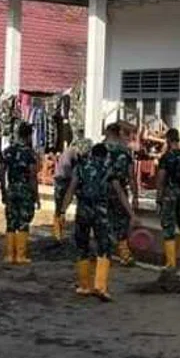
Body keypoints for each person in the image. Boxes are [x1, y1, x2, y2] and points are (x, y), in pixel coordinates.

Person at [62, 143, 116, 301]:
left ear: (91, 154)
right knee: (104, 246)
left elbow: (71, 188)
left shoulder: (81, 167)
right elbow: (117, 190)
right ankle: (101, 286)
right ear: (105, 156)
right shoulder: (108, 169)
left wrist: (62, 211)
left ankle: (84, 285)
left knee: (82, 246)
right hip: (101, 212)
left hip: (83, 211)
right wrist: (131, 213)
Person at [156, 128, 180, 268]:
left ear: (168, 140)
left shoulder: (166, 157)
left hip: (169, 194)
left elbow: (160, 180)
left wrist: (158, 199)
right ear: (178, 139)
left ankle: (171, 262)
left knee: (168, 226)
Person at [1, 123, 40, 265]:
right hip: (25, 190)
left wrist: (3, 191)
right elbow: (32, 176)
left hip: (11, 188)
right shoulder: (30, 154)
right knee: (23, 221)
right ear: (29, 136)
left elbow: (2, 172)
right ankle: (21, 255)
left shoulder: (8, 151)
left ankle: (10, 254)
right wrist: (36, 196)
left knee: (11, 221)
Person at [103, 123, 137, 266]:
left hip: (101, 189)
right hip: (119, 191)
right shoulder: (125, 152)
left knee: (103, 221)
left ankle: (104, 255)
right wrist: (135, 195)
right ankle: (124, 253)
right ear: (119, 133)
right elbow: (131, 176)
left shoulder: (99, 149)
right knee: (121, 222)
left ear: (107, 132)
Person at [52, 129, 91, 240]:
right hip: (63, 180)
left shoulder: (83, 156)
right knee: (59, 206)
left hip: (74, 180)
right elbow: (67, 177)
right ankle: (57, 232)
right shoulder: (68, 156)